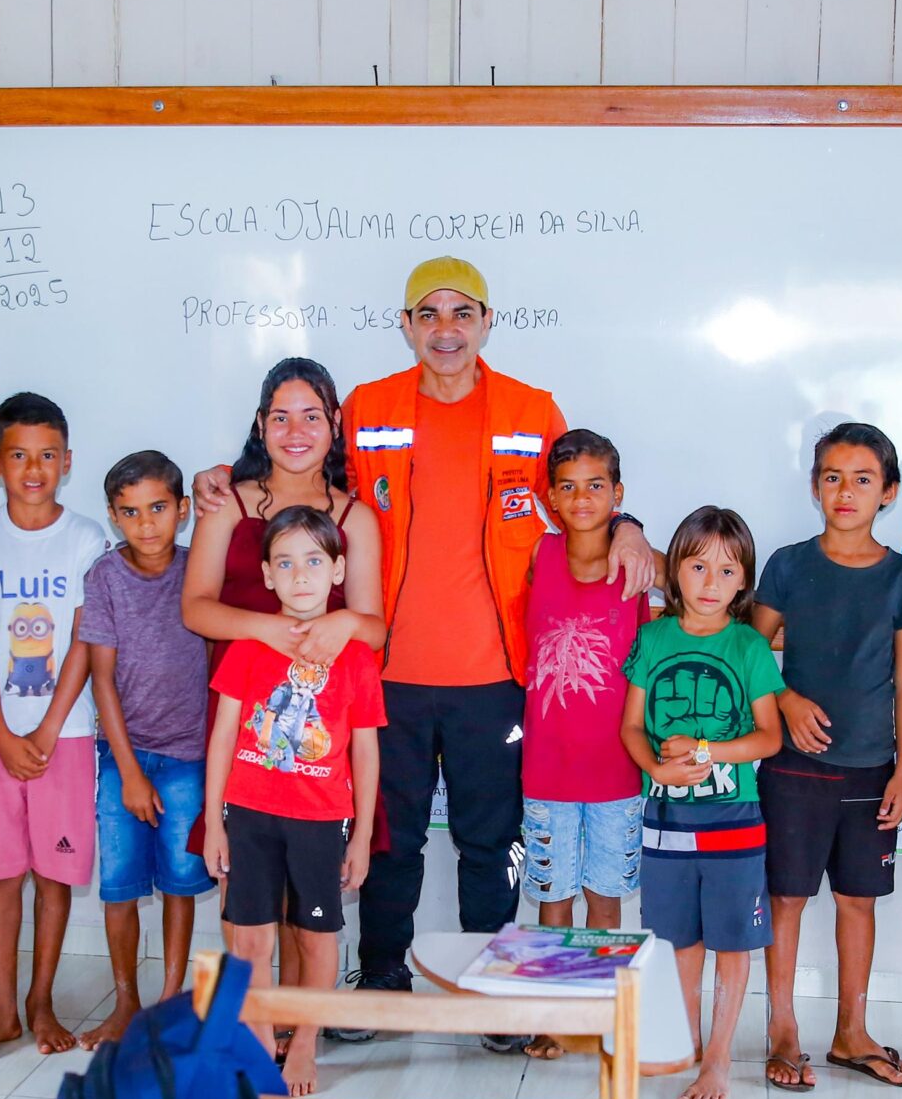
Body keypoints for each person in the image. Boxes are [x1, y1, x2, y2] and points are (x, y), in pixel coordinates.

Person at [192, 259, 655, 1018]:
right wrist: (220, 473)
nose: (446, 329)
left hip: (496, 677)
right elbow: (301, 467)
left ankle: (492, 994)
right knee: (390, 840)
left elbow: (582, 493)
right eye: (428, 314)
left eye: (462, 312)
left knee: (491, 845)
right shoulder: (369, 406)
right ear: (405, 326)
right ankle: (382, 978)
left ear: (487, 322)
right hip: (385, 676)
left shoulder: (529, 409)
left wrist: (630, 525)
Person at [180, 357, 385, 1001]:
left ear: (335, 424)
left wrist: (344, 621)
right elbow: (195, 609)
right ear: (260, 424)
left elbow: (376, 628)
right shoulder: (227, 502)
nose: (296, 431)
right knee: (245, 887)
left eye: (312, 416)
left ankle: (297, 1026)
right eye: (280, 417)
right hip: (242, 710)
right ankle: (252, 1026)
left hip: (322, 727)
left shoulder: (355, 517)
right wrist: (266, 629)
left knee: (309, 894)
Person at [749, 422, 902, 1092]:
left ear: (889, 491)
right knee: (786, 898)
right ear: (815, 486)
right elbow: (747, 649)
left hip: (871, 768)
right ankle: (783, 1031)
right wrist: (785, 697)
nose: (845, 492)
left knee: (858, 900)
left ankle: (852, 1031)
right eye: (832, 477)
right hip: (794, 769)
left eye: (862, 479)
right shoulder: (789, 564)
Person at [202, 506, 386, 1096]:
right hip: (249, 814)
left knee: (315, 936)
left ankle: (304, 1043)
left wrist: (361, 836)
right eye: (285, 563)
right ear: (267, 574)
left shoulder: (355, 656)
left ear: (338, 571)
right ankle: (260, 1045)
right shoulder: (249, 646)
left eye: (313, 561)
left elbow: (365, 752)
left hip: (320, 819)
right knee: (250, 938)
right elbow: (223, 737)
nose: (300, 575)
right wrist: (214, 825)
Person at [0, 391, 111, 1060]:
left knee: (54, 875)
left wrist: (45, 731)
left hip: (64, 737)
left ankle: (40, 1002)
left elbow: (82, 641)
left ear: (67, 462)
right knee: (1, 876)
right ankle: (2, 1010)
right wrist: (2, 729)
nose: (34, 469)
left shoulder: (86, 538)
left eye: (48, 455)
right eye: (18, 455)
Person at [620, 507, 785, 1099]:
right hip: (665, 820)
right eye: (697, 567)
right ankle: (687, 1041)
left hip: (733, 821)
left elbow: (770, 738)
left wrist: (707, 750)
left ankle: (719, 1057)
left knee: (733, 942)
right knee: (680, 939)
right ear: (675, 573)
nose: (711, 583)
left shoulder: (749, 646)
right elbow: (631, 726)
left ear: (744, 581)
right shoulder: (653, 637)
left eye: (727, 570)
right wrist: (657, 768)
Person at [518, 428, 649, 1060]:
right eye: (567, 488)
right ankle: (554, 1017)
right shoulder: (538, 552)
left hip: (616, 769)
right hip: (547, 767)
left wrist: (634, 530)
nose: (582, 499)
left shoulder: (637, 567)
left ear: (618, 494)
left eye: (596, 486)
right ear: (550, 497)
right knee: (554, 897)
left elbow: (693, 571)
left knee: (605, 898)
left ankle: (601, 1017)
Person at [81, 450, 215, 1046]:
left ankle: (169, 1000)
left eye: (158, 508)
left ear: (182, 510)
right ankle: (126, 1002)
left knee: (181, 882)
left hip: (189, 757)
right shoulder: (105, 578)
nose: (146, 523)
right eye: (130, 512)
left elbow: (212, 659)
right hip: (123, 757)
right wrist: (130, 771)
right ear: (114, 516)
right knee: (120, 886)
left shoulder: (199, 571)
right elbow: (101, 679)